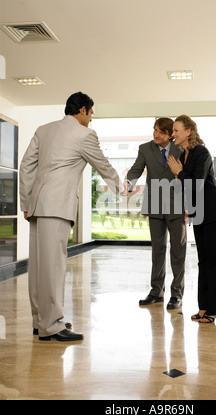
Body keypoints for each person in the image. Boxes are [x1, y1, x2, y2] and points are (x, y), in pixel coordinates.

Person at [19, 92, 125, 341]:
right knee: (53, 267)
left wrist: (26, 202)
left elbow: (26, 166)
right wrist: (122, 187)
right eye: (91, 114)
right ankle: (52, 326)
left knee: (38, 267)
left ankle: (40, 321)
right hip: (57, 207)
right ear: (83, 110)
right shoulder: (84, 134)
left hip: (37, 206)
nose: (91, 119)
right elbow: (103, 164)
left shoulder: (43, 130)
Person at [168, 115, 216, 323]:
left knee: (215, 263)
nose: (173, 134)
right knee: (204, 262)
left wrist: (179, 173)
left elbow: (197, 184)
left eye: (176, 130)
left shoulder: (201, 152)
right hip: (199, 213)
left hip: (213, 213)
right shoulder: (185, 155)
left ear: (188, 132)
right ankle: (204, 307)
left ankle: (214, 309)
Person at [125, 118, 187, 310]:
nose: (156, 135)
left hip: (177, 207)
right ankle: (156, 292)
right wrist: (129, 182)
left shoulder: (181, 150)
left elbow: (188, 175)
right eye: (155, 130)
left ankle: (176, 294)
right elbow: (136, 169)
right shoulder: (145, 149)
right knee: (157, 250)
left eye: (161, 132)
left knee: (178, 251)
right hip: (155, 207)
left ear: (170, 134)